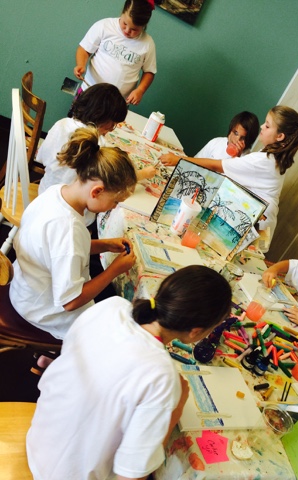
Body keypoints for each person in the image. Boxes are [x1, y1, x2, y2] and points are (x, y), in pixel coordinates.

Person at [26, 265, 232, 480]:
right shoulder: (161, 376)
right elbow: (132, 476)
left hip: (41, 438)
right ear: (195, 332)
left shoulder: (113, 306)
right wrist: (176, 411)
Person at [9, 126, 138, 340]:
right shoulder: (68, 229)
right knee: (117, 329)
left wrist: (104, 244)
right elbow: (70, 302)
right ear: (97, 191)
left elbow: (56, 250)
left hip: (24, 288)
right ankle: (58, 352)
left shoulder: (56, 192)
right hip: (41, 309)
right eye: (116, 201)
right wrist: (114, 270)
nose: (114, 207)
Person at [161, 106, 298, 246]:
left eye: (267, 126)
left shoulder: (262, 160)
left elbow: (216, 165)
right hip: (263, 220)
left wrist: (178, 159)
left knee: (249, 254)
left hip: (259, 222)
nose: (262, 127)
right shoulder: (272, 157)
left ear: (280, 136)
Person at [38, 83, 156, 224]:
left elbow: (41, 158)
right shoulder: (100, 146)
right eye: (112, 124)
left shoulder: (62, 123)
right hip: (71, 214)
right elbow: (120, 180)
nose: (112, 129)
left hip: (45, 195)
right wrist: (145, 173)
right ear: (101, 116)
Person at [74, 0, 156, 105]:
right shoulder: (104, 26)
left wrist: (140, 90)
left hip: (117, 103)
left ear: (143, 26)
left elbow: (149, 71)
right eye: (124, 23)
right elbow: (84, 49)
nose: (127, 30)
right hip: (89, 91)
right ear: (122, 13)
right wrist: (81, 64)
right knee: (77, 116)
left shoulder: (147, 43)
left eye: (134, 29)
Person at [194, 111, 260, 159]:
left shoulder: (248, 159)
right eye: (236, 133)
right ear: (230, 131)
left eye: (243, 138)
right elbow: (195, 162)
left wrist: (236, 158)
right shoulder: (216, 143)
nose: (237, 140)